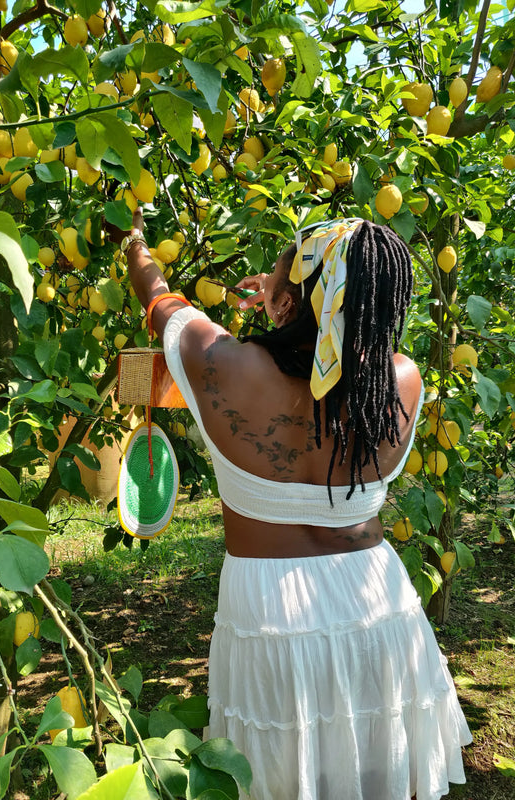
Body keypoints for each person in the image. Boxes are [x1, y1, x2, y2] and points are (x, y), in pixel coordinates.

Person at [123, 209, 472, 800]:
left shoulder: (221, 362)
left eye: (282, 263)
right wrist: (288, 302)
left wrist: (135, 242)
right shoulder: (401, 381)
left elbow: (157, 298)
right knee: (379, 774)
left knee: (279, 777)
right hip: (376, 606)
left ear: (292, 294)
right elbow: (332, 351)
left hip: (271, 613)